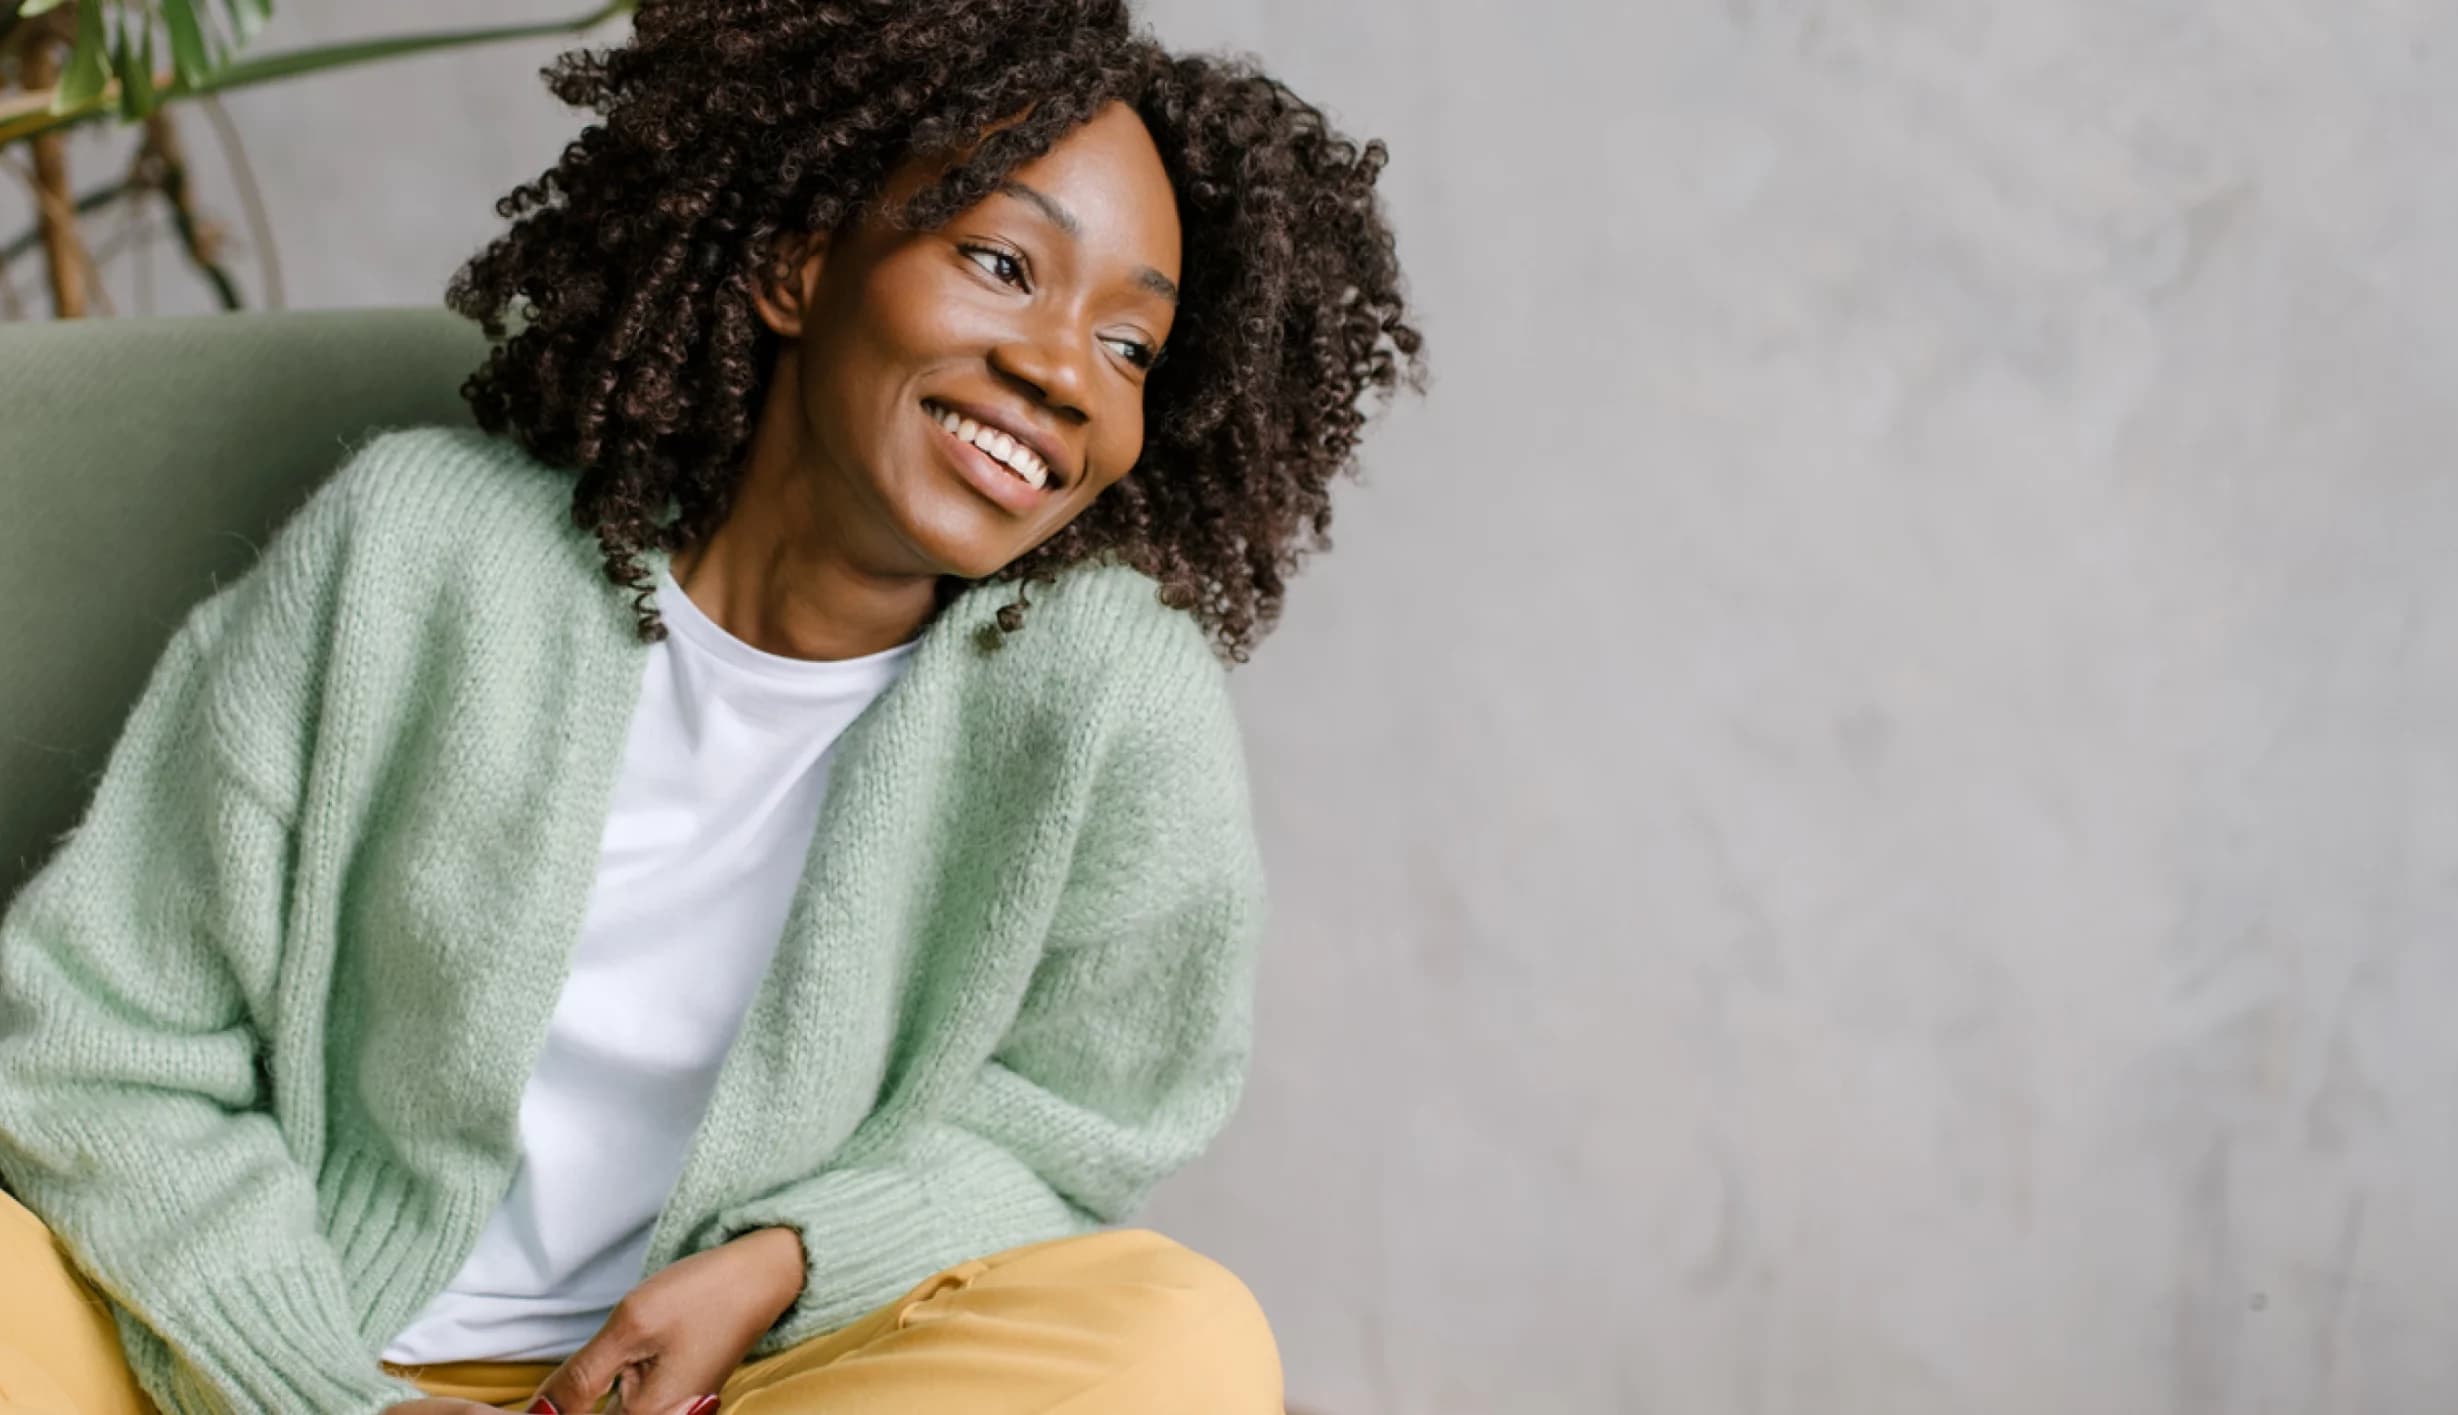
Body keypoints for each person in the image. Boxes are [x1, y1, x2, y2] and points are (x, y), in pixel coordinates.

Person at [0, 1, 1421, 1411]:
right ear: (798, 262)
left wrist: (788, 1264)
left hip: (748, 1384)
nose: (1063, 370)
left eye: (1131, 349)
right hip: (273, 1347)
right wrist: (324, 1397)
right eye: (1001, 264)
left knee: (1179, 1333)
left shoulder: (1104, 694)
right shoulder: (418, 554)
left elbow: (1085, 1124)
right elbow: (103, 1041)